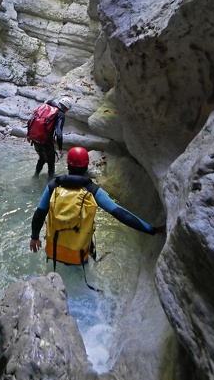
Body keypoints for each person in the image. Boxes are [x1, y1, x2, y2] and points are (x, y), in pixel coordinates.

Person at [30, 147, 165, 269]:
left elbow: (39, 214)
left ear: (68, 164)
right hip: (78, 252)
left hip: (54, 250)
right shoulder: (93, 190)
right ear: (86, 165)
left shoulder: (53, 186)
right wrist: (152, 230)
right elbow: (120, 213)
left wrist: (34, 237)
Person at [27, 97, 72, 179]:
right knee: (51, 162)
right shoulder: (60, 115)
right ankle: (50, 182)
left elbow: (30, 120)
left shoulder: (44, 108)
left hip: (35, 139)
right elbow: (58, 133)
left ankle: (35, 176)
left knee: (42, 158)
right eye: (67, 110)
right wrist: (61, 149)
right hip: (46, 142)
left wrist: (28, 135)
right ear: (65, 108)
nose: (66, 112)